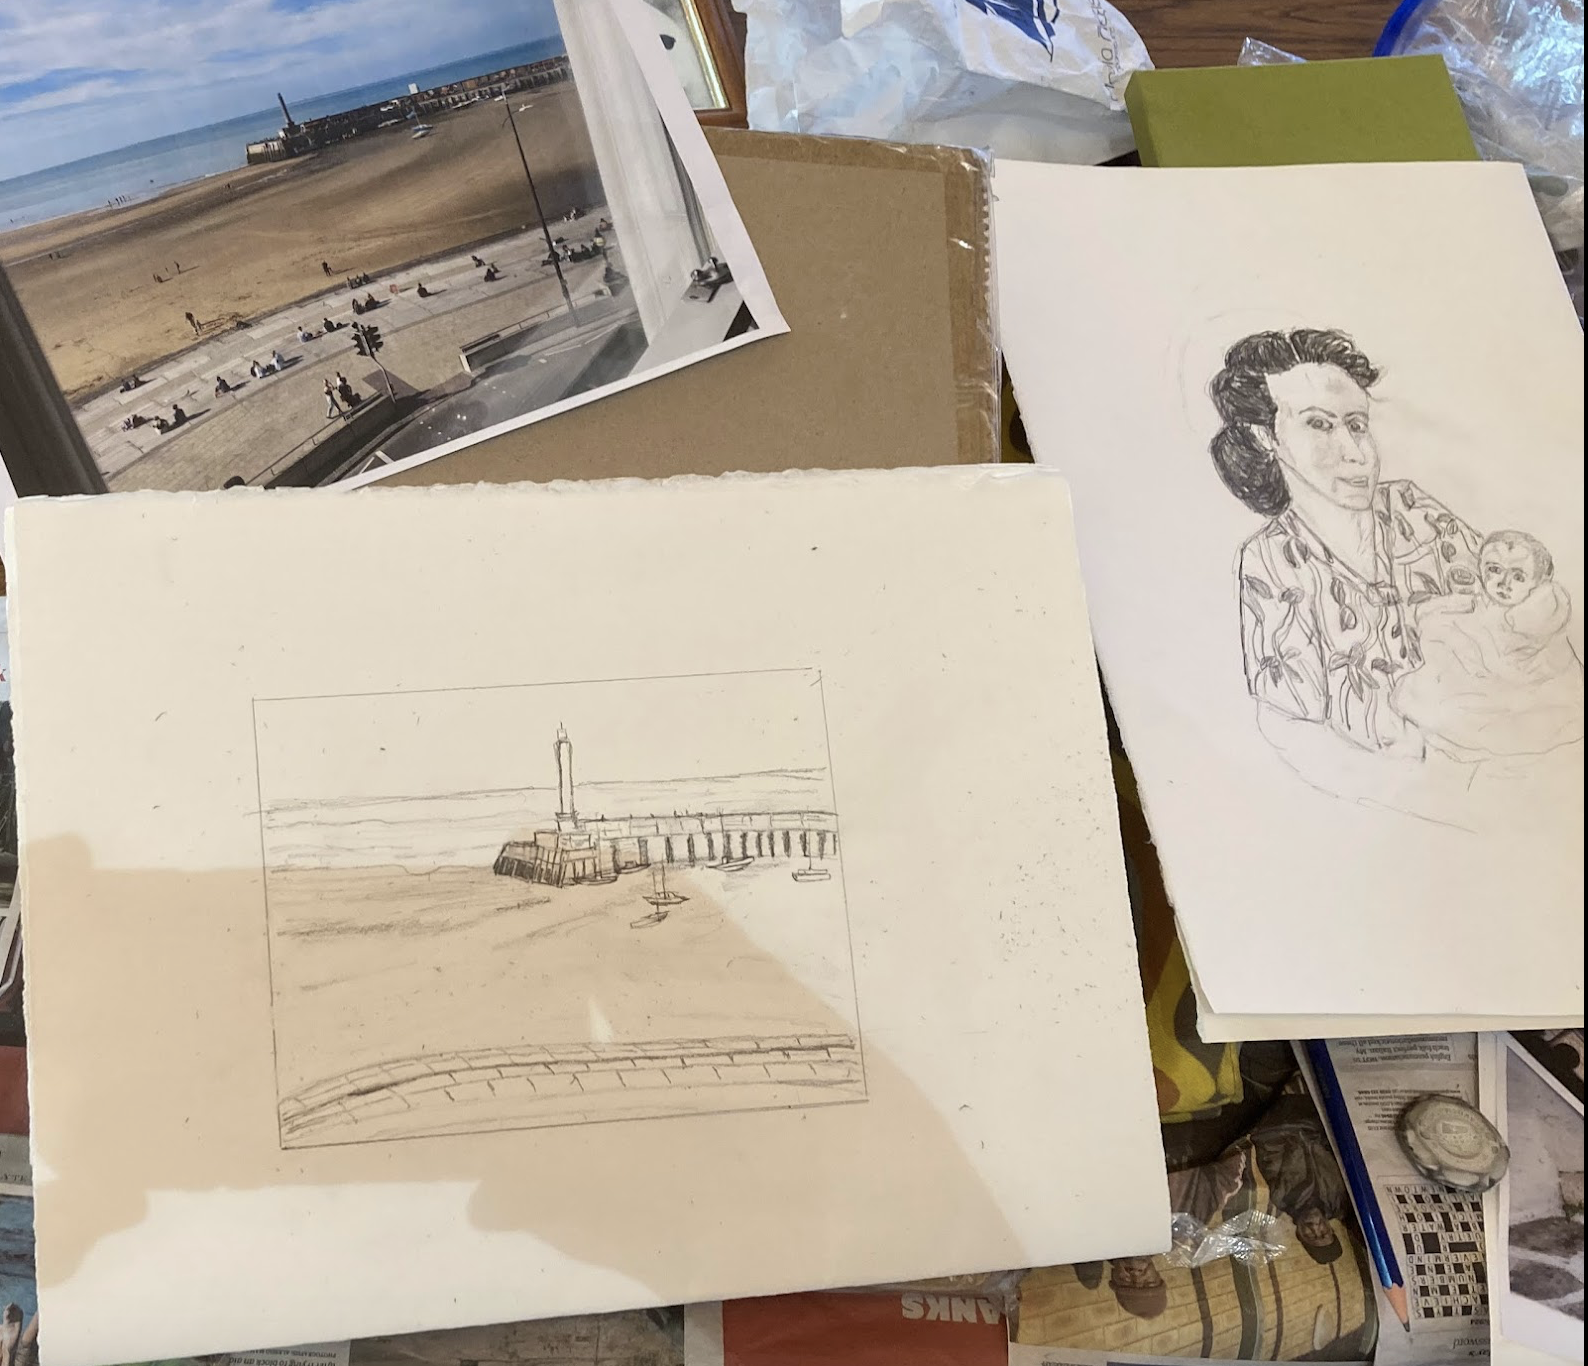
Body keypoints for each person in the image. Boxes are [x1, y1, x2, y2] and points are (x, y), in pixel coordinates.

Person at [1209, 329, 1488, 764]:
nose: (1356, 452)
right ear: (1265, 437)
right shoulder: (1271, 563)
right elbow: (1294, 733)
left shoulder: (1415, 511)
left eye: (1357, 425)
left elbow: (1519, 626)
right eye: (1319, 424)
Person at [1391, 530, 1583, 760]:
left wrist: (1463, 636)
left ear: (1538, 582)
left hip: (1524, 692)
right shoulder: (1490, 600)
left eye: (1518, 577)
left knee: (1444, 693)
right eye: (1494, 570)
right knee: (1427, 677)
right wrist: (1435, 614)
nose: (1504, 583)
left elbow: (1506, 656)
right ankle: (1417, 743)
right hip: (1486, 676)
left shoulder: (1539, 613)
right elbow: (1473, 608)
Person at [1250, 1088, 1348, 1265]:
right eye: (1323, 1233)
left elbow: (1268, 1149)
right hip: (1322, 1123)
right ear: (1331, 1229)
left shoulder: (1283, 1197)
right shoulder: (1339, 1200)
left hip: (1288, 1123)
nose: (1315, 1228)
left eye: (1311, 1236)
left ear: (1299, 1234)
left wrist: (1298, 1135)